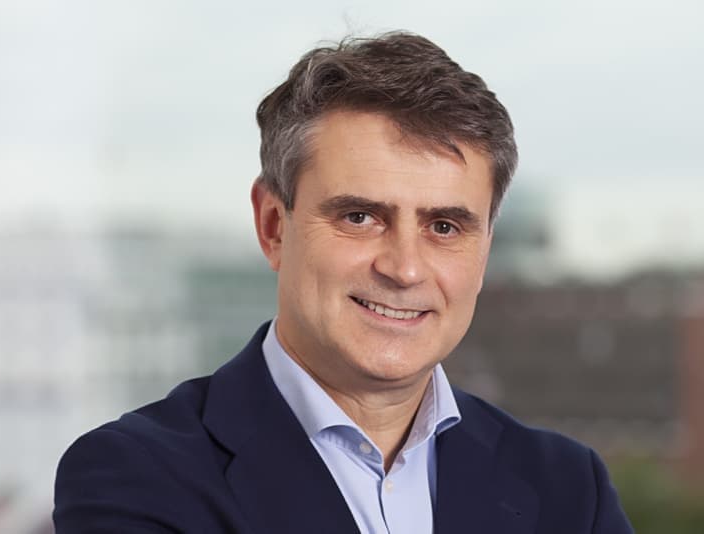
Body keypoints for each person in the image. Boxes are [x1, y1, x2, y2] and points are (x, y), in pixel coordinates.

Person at [53, 32, 634, 533]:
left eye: (444, 226)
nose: (405, 269)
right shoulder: (134, 476)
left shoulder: (568, 489)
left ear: (484, 251)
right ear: (273, 225)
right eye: (360, 217)